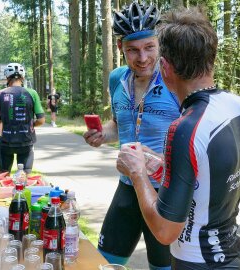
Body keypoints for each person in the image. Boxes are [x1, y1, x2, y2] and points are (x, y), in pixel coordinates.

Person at [116, 7, 240, 269]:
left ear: (164, 67)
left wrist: (138, 172)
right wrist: (172, 169)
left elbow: (165, 232)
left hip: (198, 261)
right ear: (212, 59)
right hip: (235, 255)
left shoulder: (184, 127)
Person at [83, 2, 180, 269]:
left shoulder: (176, 79)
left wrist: (163, 160)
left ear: (160, 44)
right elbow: (118, 124)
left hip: (166, 193)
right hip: (127, 186)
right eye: (132, 50)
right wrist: (102, 135)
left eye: (149, 47)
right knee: (104, 263)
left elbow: (193, 136)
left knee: (163, 267)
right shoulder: (117, 79)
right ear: (120, 48)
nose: (142, 58)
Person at [0, 63, 45, 174]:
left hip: (6, 141)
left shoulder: (0, 94)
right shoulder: (32, 93)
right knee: (24, 179)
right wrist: (31, 124)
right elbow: (41, 120)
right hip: (26, 141)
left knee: (3, 177)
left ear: (7, 77)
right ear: (22, 77)